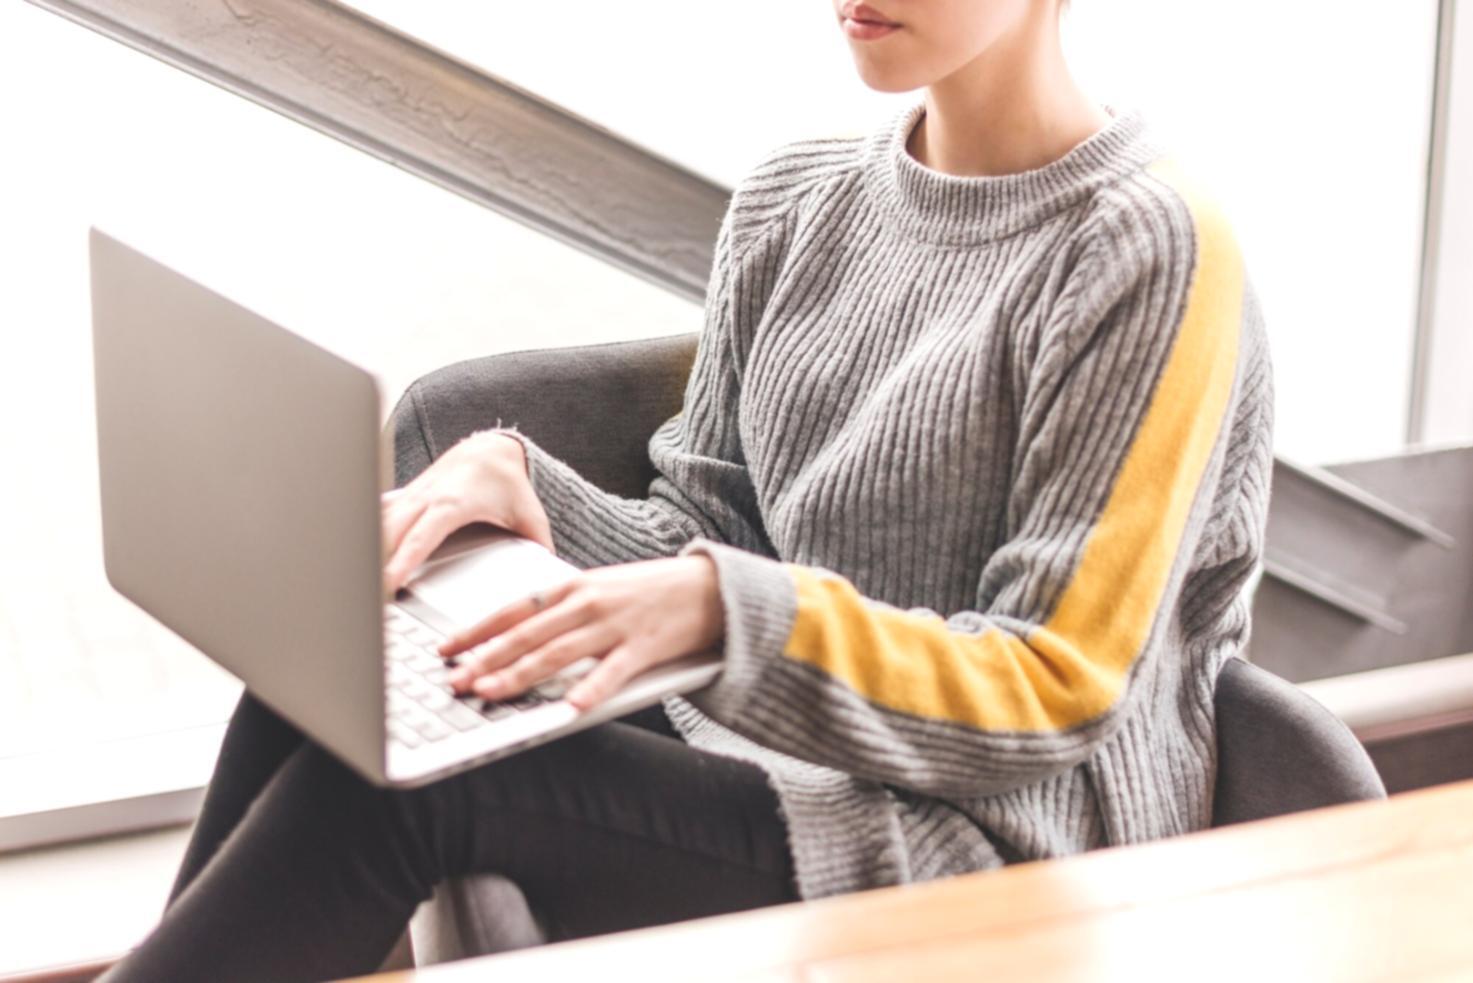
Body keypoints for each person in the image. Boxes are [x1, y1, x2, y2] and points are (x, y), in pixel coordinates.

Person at [102, 0, 1274, 979]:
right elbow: (708, 527)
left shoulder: (1144, 246)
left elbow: (1056, 685)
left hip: (996, 845)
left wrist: (727, 610)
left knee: (404, 794)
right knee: (334, 683)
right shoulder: (797, 198)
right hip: (774, 751)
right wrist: (523, 484)